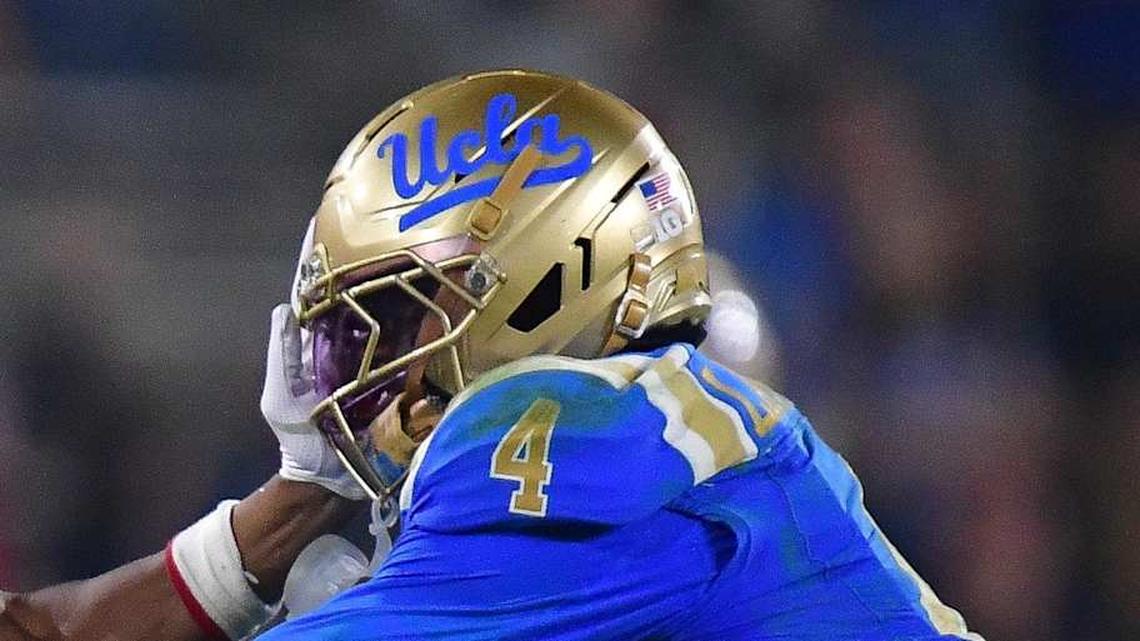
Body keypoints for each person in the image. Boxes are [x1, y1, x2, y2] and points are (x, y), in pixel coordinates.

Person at [1, 70, 982, 641]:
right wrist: (279, 515)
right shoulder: (662, 425)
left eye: (391, 314)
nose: (345, 363)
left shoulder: (585, 423)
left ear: (540, 294)